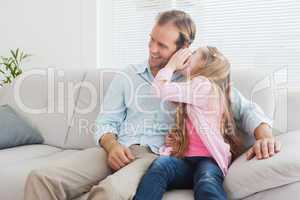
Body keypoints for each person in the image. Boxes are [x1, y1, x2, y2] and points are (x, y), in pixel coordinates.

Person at [24, 10, 281, 200]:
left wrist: (264, 137)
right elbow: (106, 122)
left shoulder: (198, 83)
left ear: (184, 49)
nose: (152, 49)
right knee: (41, 178)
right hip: (116, 148)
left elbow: (247, 110)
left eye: (162, 45)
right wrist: (111, 145)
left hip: (154, 155)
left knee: (110, 193)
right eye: (151, 40)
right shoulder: (127, 75)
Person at [134, 46, 243, 200]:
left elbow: (159, 89)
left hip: (209, 160)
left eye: (193, 54)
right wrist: (177, 140)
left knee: (207, 181)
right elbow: (198, 129)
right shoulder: (193, 89)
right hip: (186, 161)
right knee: (160, 166)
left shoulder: (204, 85)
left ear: (204, 62)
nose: (187, 57)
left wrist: (171, 65)